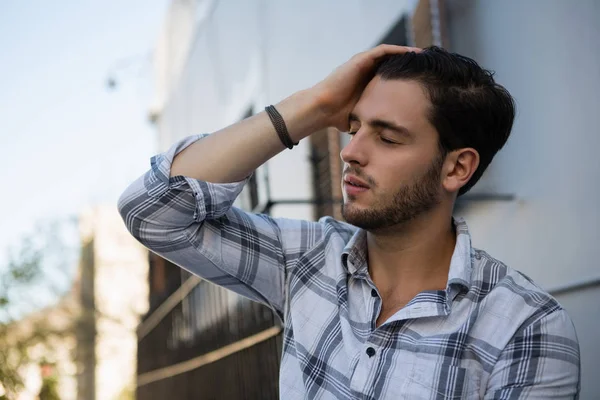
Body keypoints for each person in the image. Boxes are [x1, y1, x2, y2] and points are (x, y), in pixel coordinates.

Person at [118, 45, 580, 399]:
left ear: (456, 168)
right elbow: (153, 212)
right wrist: (314, 106)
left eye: (388, 137)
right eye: (354, 127)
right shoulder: (308, 259)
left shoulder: (526, 326)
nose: (350, 151)